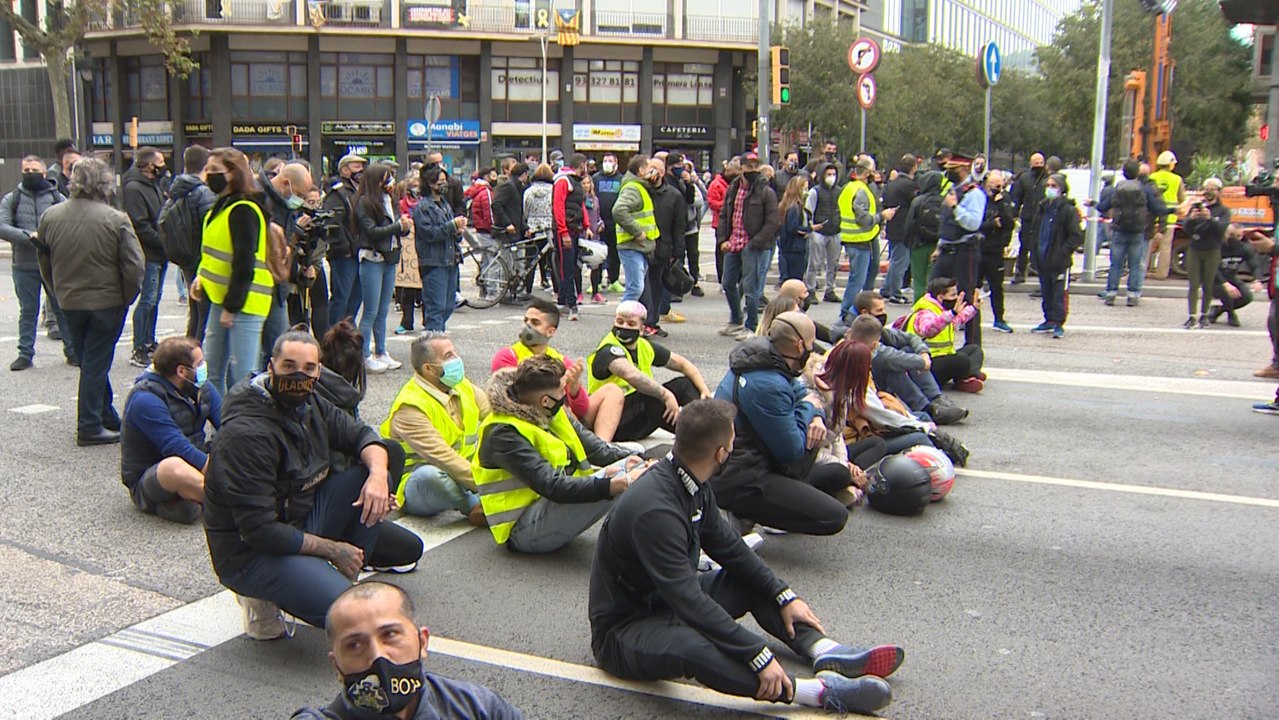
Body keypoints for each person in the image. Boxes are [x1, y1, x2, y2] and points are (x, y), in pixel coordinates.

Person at [590, 399, 901, 715]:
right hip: (624, 630)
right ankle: (816, 692)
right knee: (693, 648)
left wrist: (783, 595)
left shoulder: (690, 482)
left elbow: (731, 550)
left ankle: (824, 650)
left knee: (749, 582)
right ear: (720, 454)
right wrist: (757, 654)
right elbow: (688, 599)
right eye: (732, 443)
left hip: (666, 603)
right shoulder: (655, 511)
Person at [203, 330, 424, 637]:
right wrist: (333, 549)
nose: (299, 376)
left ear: (319, 371)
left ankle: (338, 573)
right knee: (355, 616)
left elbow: (362, 436)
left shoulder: (312, 403)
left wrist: (377, 479)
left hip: (299, 517)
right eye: (289, 366)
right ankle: (259, 595)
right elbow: (261, 532)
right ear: (271, 367)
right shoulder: (246, 435)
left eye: (308, 368)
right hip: (253, 552)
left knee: (383, 467)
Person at [472, 356, 645, 553]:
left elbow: (597, 449)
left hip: (551, 507)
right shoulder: (503, 433)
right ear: (545, 400)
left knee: (636, 467)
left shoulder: (550, 409)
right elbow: (553, 486)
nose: (566, 394)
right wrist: (612, 484)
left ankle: (645, 538)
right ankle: (641, 544)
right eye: (563, 389)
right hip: (523, 530)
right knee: (626, 479)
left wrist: (644, 463)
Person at [292, 582, 523, 720]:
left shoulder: (481, 708)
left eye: (390, 635)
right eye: (355, 645)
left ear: (422, 641)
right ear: (336, 666)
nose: (378, 655)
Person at [712, 312, 851, 536]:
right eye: (811, 343)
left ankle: (767, 505)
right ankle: (745, 515)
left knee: (837, 473)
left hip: (754, 463)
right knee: (834, 517)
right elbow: (792, 451)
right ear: (799, 345)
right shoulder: (768, 383)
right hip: (742, 477)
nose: (813, 349)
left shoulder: (764, 359)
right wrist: (810, 409)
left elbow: (801, 392)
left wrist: (815, 414)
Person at [37, 157, 145, 446]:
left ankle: (105, 415)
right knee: (96, 362)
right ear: (104, 183)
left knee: (90, 361)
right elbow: (134, 266)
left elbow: (44, 261)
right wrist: (126, 297)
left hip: (69, 300)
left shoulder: (50, 216)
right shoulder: (116, 219)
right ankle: (89, 425)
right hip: (106, 301)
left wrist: (57, 291)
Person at [382, 332, 490, 526]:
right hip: (422, 483)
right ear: (429, 369)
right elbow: (444, 458)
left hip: (463, 472)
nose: (457, 359)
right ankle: (473, 506)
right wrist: (492, 486)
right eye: (448, 356)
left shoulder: (462, 385)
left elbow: (493, 416)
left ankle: (481, 497)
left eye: (454, 352)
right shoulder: (411, 406)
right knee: (429, 476)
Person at [194, 148, 275, 397]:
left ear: (233, 173)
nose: (209, 175)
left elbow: (244, 262)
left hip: (245, 301)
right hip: (224, 298)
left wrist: (231, 306)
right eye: (208, 169)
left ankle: (244, 419)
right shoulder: (221, 207)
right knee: (211, 371)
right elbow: (214, 253)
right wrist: (201, 277)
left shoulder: (243, 209)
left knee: (243, 377)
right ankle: (221, 417)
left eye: (215, 170)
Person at [120, 336, 218, 524]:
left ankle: (188, 500)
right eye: (199, 363)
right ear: (181, 371)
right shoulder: (145, 400)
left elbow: (227, 424)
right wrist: (223, 475)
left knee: (233, 444)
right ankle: (240, 505)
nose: (204, 367)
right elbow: (178, 448)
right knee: (174, 467)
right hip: (154, 476)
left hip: (197, 459)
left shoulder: (201, 387)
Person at [491, 298, 625, 431]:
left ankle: (602, 441)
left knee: (613, 391)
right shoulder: (508, 356)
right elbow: (511, 402)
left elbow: (582, 410)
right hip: (532, 418)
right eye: (526, 320)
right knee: (560, 406)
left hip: (566, 420)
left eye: (535, 322)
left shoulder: (561, 360)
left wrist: (575, 389)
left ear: (550, 331)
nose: (527, 326)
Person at [587, 301, 709, 443]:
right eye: (620, 322)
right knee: (652, 395)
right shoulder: (608, 349)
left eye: (631, 324)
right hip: (611, 422)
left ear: (641, 329)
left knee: (685, 384)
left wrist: (704, 390)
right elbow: (630, 375)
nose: (624, 327)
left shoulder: (645, 346)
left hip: (639, 416)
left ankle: (703, 430)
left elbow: (683, 364)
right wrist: (666, 395)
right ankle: (697, 436)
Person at [0, 154, 76, 370]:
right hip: (24, 265)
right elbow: (3, 226)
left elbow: (71, 222)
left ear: (44, 173)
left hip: (53, 264)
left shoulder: (57, 198)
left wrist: (46, 237)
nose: (30, 174)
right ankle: (25, 354)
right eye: (26, 170)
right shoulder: (12, 198)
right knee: (28, 311)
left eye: (34, 170)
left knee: (61, 309)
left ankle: (72, 351)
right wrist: (29, 237)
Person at [853, 292, 967, 424]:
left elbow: (909, 337)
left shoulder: (873, 326)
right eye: (879, 310)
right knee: (892, 366)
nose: (884, 314)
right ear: (865, 312)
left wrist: (923, 353)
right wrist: (921, 362)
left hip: (875, 381)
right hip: (865, 388)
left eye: (884, 309)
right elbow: (885, 356)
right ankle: (927, 409)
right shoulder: (855, 329)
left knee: (908, 349)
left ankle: (937, 399)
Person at [354, 163, 412, 372]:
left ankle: (381, 351)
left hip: (390, 258)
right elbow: (371, 231)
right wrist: (397, 226)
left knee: (383, 310)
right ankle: (364, 355)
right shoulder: (364, 202)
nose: (390, 182)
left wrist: (404, 227)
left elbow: (395, 229)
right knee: (370, 311)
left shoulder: (390, 200)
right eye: (385, 178)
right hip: (372, 258)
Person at [258, 161, 316, 368]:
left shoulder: (284, 205)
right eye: (298, 194)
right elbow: (275, 249)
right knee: (266, 349)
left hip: (278, 286)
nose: (299, 200)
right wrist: (293, 236)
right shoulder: (260, 200)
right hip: (262, 283)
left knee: (277, 347)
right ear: (285, 183)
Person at [718, 156, 780, 338]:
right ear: (741, 168)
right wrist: (722, 239)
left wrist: (754, 243)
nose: (752, 170)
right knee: (728, 283)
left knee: (751, 287)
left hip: (752, 245)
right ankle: (736, 320)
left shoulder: (765, 192)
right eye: (748, 166)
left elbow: (772, 221)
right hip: (733, 242)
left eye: (755, 166)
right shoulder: (733, 189)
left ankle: (751, 326)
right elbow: (724, 215)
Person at [1095, 158, 1168, 308]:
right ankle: (1133, 295)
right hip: (1137, 231)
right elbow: (1158, 208)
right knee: (1136, 265)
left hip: (1119, 230)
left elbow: (1103, 207)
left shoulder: (1117, 189)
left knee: (1116, 264)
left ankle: (1111, 293)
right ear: (1138, 173)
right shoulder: (1145, 190)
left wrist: (1092, 203)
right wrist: (1173, 211)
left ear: (1123, 173)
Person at [930, 157, 987, 346]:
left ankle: (972, 345)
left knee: (967, 297)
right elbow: (945, 222)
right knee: (934, 292)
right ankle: (932, 337)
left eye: (952, 168)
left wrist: (955, 207)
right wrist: (939, 246)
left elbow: (973, 223)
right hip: (947, 249)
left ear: (964, 168)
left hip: (965, 251)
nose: (948, 172)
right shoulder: (953, 189)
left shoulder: (974, 193)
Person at [123, 146, 170, 369]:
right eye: (160, 162)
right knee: (147, 300)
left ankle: (149, 341)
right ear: (150, 165)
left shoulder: (154, 185)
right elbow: (140, 225)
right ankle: (139, 346)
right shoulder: (134, 188)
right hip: (148, 252)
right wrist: (164, 242)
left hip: (159, 252)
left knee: (155, 299)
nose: (163, 166)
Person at [166, 145, 219, 343]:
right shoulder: (203, 193)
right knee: (205, 313)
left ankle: (189, 349)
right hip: (201, 257)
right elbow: (211, 227)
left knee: (195, 309)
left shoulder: (177, 190)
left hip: (186, 256)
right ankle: (198, 352)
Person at [837, 158, 897, 322]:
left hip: (858, 239)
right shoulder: (861, 191)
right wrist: (882, 216)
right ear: (866, 172)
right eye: (873, 171)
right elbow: (863, 219)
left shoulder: (849, 188)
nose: (875, 174)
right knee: (858, 280)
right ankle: (847, 315)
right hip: (862, 240)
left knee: (861, 278)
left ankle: (860, 311)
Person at [905, 277, 985, 392]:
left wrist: (973, 308)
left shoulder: (942, 310)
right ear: (940, 297)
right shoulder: (925, 313)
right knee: (961, 360)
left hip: (944, 357)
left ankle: (968, 377)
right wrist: (952, 313)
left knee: (974, 350)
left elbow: (958, 320)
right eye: (952, 295)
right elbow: (929, 329)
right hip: (927, 364)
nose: (956, 298)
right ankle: (966, 376)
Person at [413, 165, 468, 332]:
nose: (444, 185)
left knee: (449, 305)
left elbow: (450, 232)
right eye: (440, 182)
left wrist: (458, 231)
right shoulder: (423, 207)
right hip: (434, 262)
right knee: (436, 306)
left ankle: (437, 334)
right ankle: (433, 337)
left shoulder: (445, 204)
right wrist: (452, 226)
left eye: (445, 181)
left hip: (450, 259)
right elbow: (429, 234)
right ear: (430, 183)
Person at [1031, 174, 1084, 339]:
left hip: (1059, 261)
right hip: (1043, 257)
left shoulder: (1068, 210)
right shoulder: (1042, 208)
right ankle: (1049, 320)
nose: (1050, 189)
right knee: (1046, 291)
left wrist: (1063, 251)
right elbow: (1035, 230)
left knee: (1059, 293)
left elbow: (1076, 236)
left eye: (1054, 186)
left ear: (1062, 189)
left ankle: (1059, 323)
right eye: (1048, 186)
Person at [1181, 178, 1232, 329]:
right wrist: (1191, 219)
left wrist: (1210, 219)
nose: (1208, 192)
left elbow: (1221, 230)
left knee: (1208, 284)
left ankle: (1204, 315)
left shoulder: (1223, 211)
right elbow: (1186, 228)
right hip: (1195, 249)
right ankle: (1192, 315)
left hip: (1212, 250)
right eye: (1206, 188)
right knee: (1193, 284)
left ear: (1219, 192)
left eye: (1212, 189)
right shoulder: (1196, 208)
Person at [325, 153, 368, 325]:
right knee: (341, 298)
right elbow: (332, 222)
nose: (361, 170)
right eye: (356, 166)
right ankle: (334, 332)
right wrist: (345, 247)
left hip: (360, 252)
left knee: (356, 297)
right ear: (344, 170)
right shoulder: (338, 193)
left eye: (362, 167)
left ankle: (348, 330)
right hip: (345, 255)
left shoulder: (361, 192)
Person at [648, 157, 688, 335]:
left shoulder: (673, 195)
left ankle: (653, 321)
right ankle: (642, 321)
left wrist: (678, 251)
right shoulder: (640, 190)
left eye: (655, 169)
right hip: (641, 245)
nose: (651, 172)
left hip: (662, 247)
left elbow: (679, 225)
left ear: (663, 172)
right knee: (642, 285)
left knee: (656, 284)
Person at [611, 154, 657, 303]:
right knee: (635, 289)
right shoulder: (633, 188)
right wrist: (637, 232)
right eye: (651, 167)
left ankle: (629, 315)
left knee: (637, 288)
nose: (654, 171)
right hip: (631, 245)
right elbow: (618, 210)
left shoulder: (640, 186)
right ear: (641, 170)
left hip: (639, 246)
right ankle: (623, 316)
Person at [551, 153, 592, 320]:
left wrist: (586, 225)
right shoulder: (563, 181)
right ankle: (571, 303)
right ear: (581, 165)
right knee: (566, 267)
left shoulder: (574, 182)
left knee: (571, 265)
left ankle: (563, 300)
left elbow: (580, 205)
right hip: (566, 230)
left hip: (574, 228)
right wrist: (563, 232)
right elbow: (558, 207)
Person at [978, 170, 1016, 333]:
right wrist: (992, 223)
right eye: (994, 186)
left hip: (995, 250)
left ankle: (999, 319)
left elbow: (1009, 224)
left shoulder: (1005, 200)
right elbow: (976, 224)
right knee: (973, 286)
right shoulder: (979, 199)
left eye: (1000, 186)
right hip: (979, 248)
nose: (997, 189)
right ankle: (968, 318)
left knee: (997, 287)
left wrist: (1001, 204)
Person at [1210, 225, 1267, 327]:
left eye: (1238, 236)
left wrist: (1257, 280)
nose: (1234, 238)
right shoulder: (1216, 247)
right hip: (1212, 279)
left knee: (1247, 297)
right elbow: (1212, 269)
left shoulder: (1245, 248)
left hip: (1231, 277)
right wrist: (1225, 284)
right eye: (1231, 235)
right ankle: (1231, 315)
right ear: (1225, 234)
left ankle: (1218, 310)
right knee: (1226, 292)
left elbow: (1255, 266)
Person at [901, 170, 945, 303]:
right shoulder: (944, 201)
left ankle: (919, 307)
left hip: (918, 244)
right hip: (937, 245)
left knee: (919, 280)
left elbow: (909, 224)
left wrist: (907, 243)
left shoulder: (918, 201)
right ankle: (934, 307)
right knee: (934, 280)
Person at [879, 155, 918, 304]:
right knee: (901, 262)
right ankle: (895, 291)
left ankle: (887, 288)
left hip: (893, 225)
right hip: (904, 227)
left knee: (895, 259)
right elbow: (914, 204)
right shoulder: (909, 185)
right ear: (913, 168)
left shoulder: (892, 183)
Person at [1009, 153, 1048, 285]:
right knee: (1024, 245)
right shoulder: (1024, 179)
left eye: (1041, 163)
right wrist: (1013, 214)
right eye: (1036, 163)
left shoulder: (1048, 179)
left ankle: (1039, 271)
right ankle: (1020, 272)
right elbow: (1017, 197)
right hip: (1027, 218)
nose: (1039, 166)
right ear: (1031, 164)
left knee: (1041, 246)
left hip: (1043, 218)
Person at [1147, 151, 1185, 281]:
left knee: (1148, 245)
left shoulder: (1152, 177)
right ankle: (1161, 273)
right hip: (1170, 217)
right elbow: (1182, 199)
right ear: (1171, 164)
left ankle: (1144, 269)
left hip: (1152, 217)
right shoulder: (1177, 179)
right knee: (1165, 248)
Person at [591, 154, 625, 295]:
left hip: (615, 222)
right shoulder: (596, 178)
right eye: (605, 160)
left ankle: (614, 280)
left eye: (610, 161)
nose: (607, 163)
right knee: (597, 253)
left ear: (616, 163)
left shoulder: (621, 179)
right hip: (599, 222)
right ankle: (596, 282)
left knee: (615, 252)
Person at [523, 163, 556, 294]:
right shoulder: (553, 190)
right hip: (549, 228)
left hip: (532, 228)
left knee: (530, 260)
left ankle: (528, 288)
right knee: (552, 260)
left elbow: (525, 209)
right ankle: (554, 287)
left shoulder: (529, 191)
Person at [706, 160, 737, 287]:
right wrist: (728, 205)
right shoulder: (716, 184)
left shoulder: (736, 184)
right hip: (721, 223)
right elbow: (712, 202)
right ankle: (722, 279)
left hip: (735, 223)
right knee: (722, 253)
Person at [778, 175, 811, 283]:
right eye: (805, 189)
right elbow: (793, 228)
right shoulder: (794, 207)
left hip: (789, 247)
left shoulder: (786, 205)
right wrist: (809, 229)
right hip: (794, 248)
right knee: (795, 279)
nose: (806, 192)